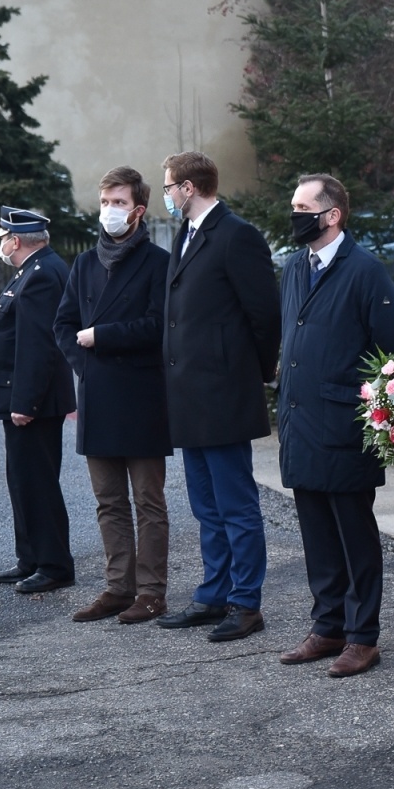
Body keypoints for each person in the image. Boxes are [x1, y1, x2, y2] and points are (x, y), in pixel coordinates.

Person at [274, 174, 394, 677]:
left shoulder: (365, 272)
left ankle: (362, 636)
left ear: (331, 214)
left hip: (344, 428)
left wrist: (378, 418)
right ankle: (327, 626)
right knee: (317, 535)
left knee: (354, 536)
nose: (293, 213)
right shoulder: (295, 267)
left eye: (302, 205)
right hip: (299, 423)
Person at [156, 151, 282, 642]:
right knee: (206, 505)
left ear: (189, 187)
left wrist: (249, 374)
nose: (166, 195)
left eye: (169, 187)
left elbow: (263, 314)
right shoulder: (185, 236)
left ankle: (245, 603)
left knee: (236, 505)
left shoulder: (237, 235)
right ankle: (213, 593)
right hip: (189, 394)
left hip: (224, 393)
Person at [54, 167, 174, 624]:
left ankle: (151, 592)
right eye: (105, 202)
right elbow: (64, 325)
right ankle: (117, 587)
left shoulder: (158, 263)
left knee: (148, 500)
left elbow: (158, 326)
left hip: (142, 395)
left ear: (139, 211)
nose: (110, 211)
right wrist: (87, 366)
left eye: (119, 203)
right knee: (108, 501)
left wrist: (102, 336)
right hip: (99, 393)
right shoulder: (84, 263)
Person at [0, 207, 76, 595]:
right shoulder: (31, 271)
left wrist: (25, 401)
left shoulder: (42, 274)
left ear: (15, 241)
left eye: (3, 239)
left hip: (34, 402)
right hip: (24, 398)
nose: (1, 245)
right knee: (22, 479)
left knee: (37, 481)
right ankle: (31, 557)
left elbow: (38, 345)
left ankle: (54, 564)